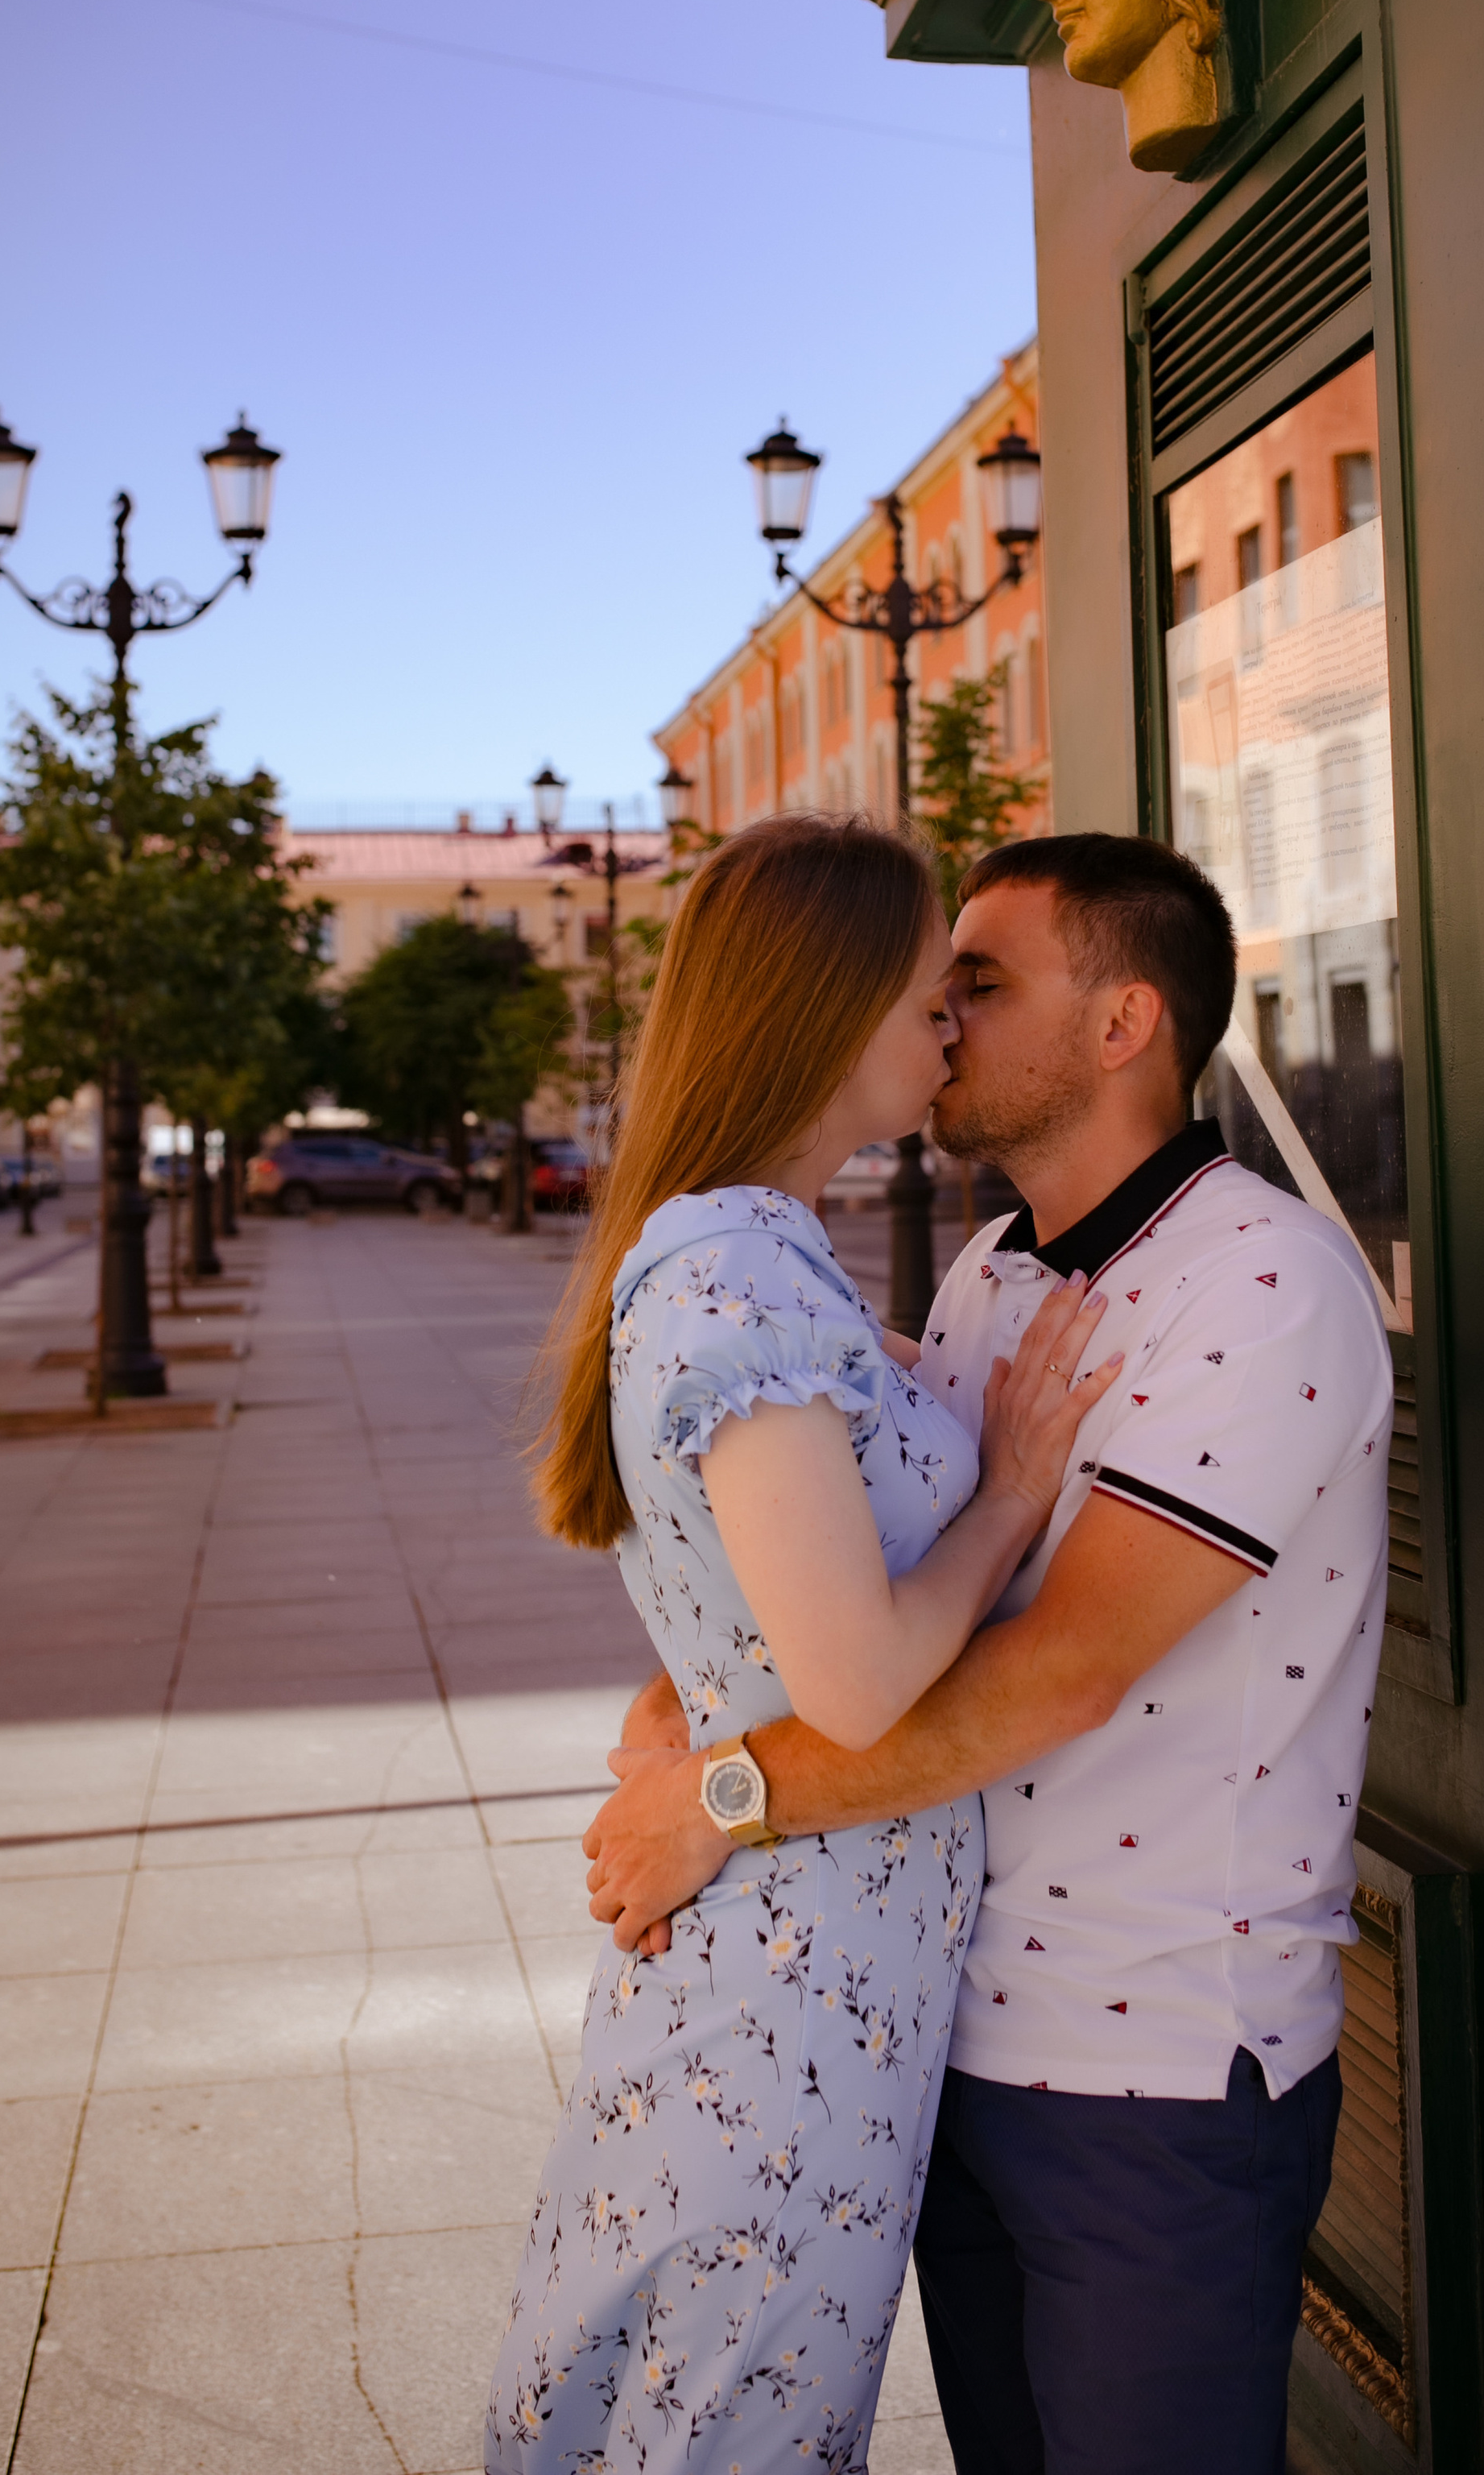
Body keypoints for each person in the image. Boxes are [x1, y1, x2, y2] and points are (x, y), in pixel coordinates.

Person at [583, 833, 1395, 2475]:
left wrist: (719, 1800)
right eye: (932, 984)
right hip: (945, 2035)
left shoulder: (1257, 1283)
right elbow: (850, 1577)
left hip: (1145, 2066)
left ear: (1120, 1028)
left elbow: (1061, 1669)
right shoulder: (991, 1269)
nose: (939, 1015)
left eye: (980, 981)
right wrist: (684, 1690)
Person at [486, 816, 1122, 2475]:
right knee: (730, 2426)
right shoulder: (740, 1289)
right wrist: (1012, 1487)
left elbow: (744, 1607)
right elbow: (846, 1680)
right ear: (830, 1013)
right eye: (929, 999)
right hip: (793, 1994)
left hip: (809, 1964)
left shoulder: (754, 1264)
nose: (949, 1034)